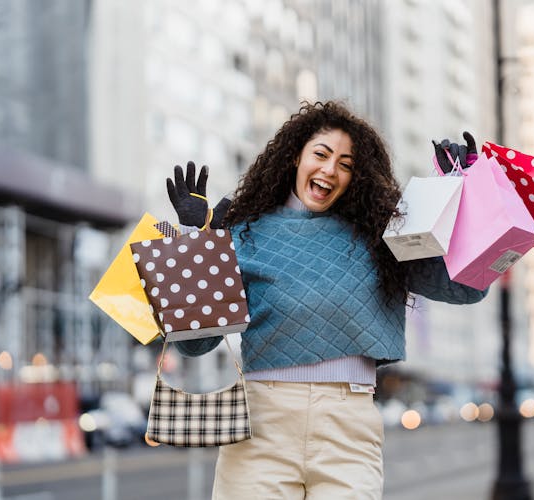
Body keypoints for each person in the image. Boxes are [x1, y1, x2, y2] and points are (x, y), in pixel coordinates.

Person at [165, 100, 488, 499]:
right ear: (293, 157)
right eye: (320, 154)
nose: (330, 169)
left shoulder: (383, 233)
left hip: (348, 429)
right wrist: (199, 242)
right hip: (260, 427)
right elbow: (196, 345)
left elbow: (466, 287)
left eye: (346, 163)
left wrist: (472, 193)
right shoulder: (243, 232)